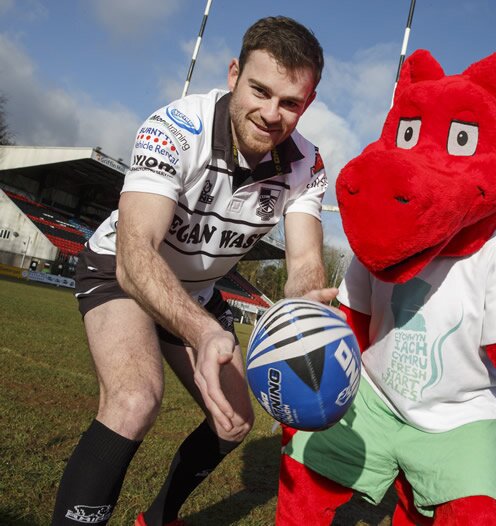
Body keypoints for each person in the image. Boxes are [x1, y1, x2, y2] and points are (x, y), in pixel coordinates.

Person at [51, 16, 331, 526]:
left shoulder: (307, 164)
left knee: (234, 423)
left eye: (289, 102)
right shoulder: (175, 128)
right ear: (232, 74)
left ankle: (157, 520)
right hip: (122, 272)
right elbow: (137, 255)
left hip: (197, 290)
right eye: (259, 90)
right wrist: (202, 333)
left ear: (306, 104)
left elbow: (306, 265)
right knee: (135, 400)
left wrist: (307, 316)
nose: (271, 114)